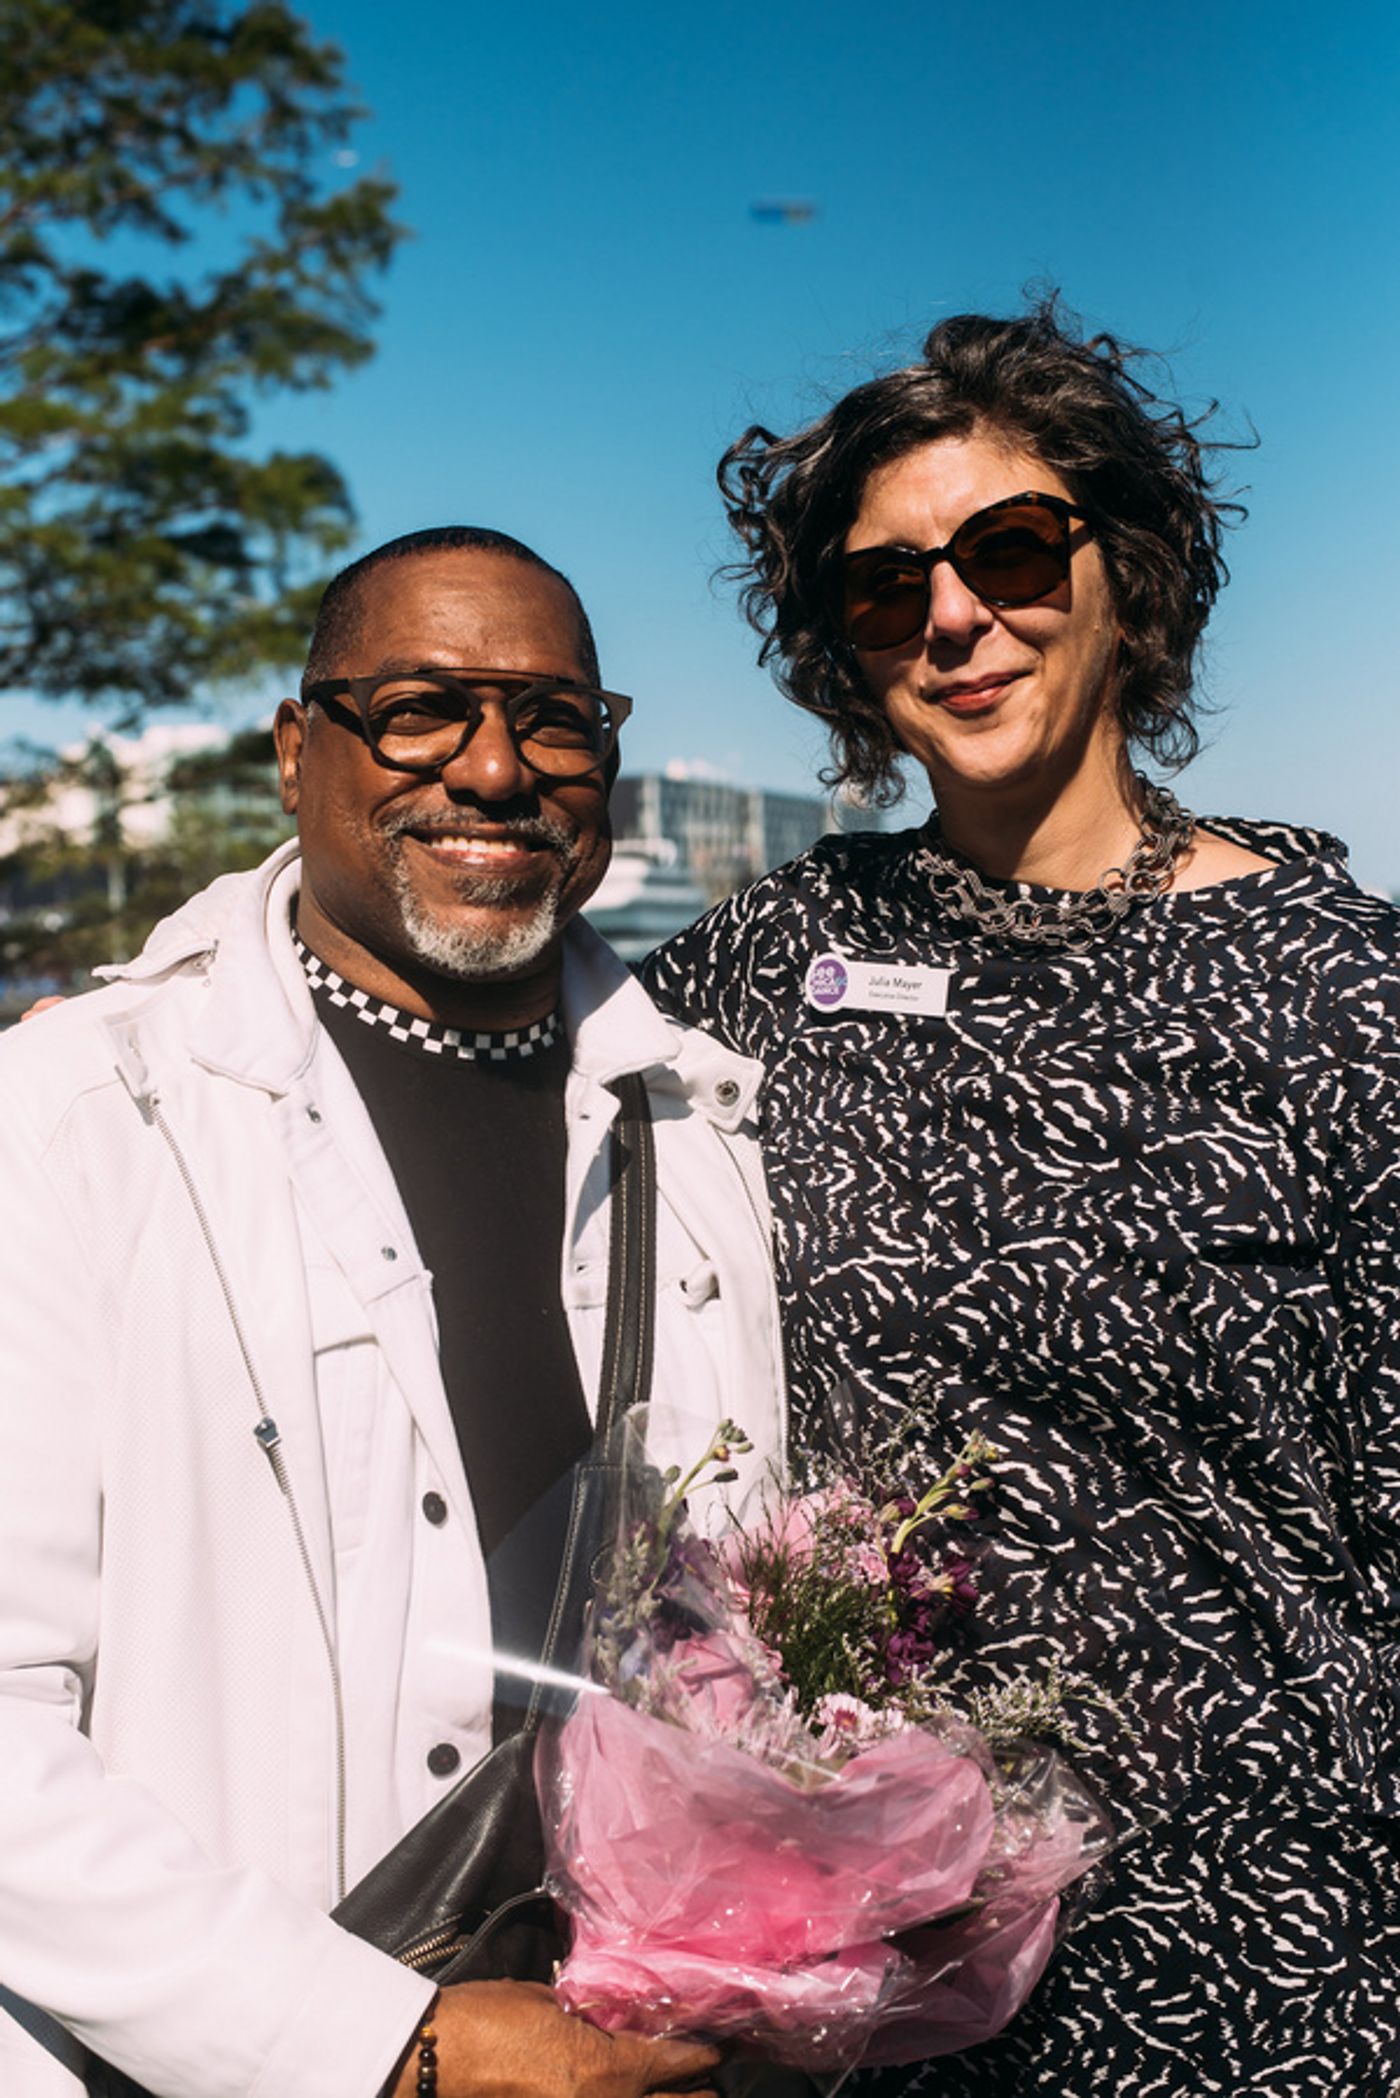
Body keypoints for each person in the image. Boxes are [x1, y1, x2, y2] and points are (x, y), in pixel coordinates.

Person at [641, 304, 1400, 2095]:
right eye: (887, 588)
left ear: (1125, 573)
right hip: (866, 1973)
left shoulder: (1344, 993)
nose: (955, 619)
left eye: (1006, 550)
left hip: (1270, 1948)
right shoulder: (777, 953)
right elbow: (487, 1095)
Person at [0, 526, 785, 2098]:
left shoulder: (698, 1135)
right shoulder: (77, 1116)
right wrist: (383, 2044)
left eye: (556, 719)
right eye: (422, 708)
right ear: (301, 752)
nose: (498, 769)